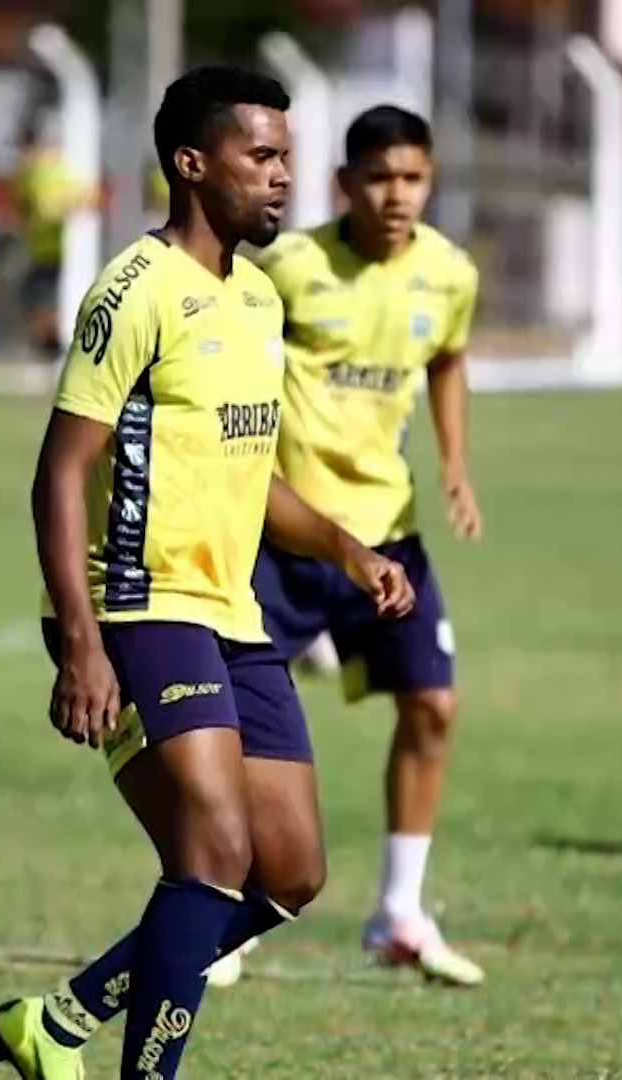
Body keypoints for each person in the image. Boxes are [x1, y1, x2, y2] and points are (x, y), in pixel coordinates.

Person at [0, 66, 414, 1080]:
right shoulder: (133, 293)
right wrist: (81, 643)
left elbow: (249, 466)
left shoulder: (259, 302)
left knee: (292, 873)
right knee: (212, 858)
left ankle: (60, 1023)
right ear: (191, 163)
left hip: (232, 611)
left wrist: (348, 548)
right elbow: (59, 471)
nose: (282, 179)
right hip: (133, 608)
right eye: (261, 157)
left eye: (286, 159)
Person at [243, 104, 487, 985]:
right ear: (344, 184)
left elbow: (449, 357)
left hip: (390, 535)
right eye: (379, 177)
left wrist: (456, 461)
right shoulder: (289, 268)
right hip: (285, 537)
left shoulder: (449, 275)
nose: (397, 195)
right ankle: (225, 913)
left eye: (413, 178)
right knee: (235, 730)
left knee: (433, 706)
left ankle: (398, 913)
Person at [11, 119, 88, 365]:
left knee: (46, 306)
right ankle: (50, 353)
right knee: (34, 303)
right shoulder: (29, 173)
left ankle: (54, 353)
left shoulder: (54, 170)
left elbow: (84, 198)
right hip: (39, 251)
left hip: (56, 252)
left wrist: (58, 211)